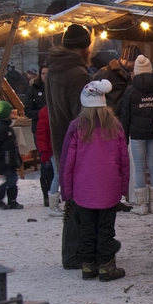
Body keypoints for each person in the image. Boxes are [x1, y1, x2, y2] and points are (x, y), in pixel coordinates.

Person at [60, 80, 129, 281]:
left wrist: (67, 190)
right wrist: (124, 186)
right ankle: (107, 266)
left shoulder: (76, 126)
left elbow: (67, 161)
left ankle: (88, 266)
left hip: (83, 189)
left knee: (86, 228)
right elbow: (123, 159)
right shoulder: (115, 125)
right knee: (106, 228)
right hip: (109, 186)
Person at [45, 24, 94, 212]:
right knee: (82, 208)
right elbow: (84, 119)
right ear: (84, 47)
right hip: (79, 148)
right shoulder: (77, 74)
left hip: (61, 143)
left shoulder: (53, 69)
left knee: (73, 208)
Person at [119, 54, 153, 215]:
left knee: (140, 168)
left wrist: (124, 138)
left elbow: (125, 116)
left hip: (137, 133)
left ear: (136, 71)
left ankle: (141, 205)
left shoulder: (130, 91)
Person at [27, 65, 52, 206]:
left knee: (54, 164)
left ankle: (53, 192)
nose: (45, 76)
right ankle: (46, 194)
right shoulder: (34, 90)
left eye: (47, 74)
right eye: (43, 74)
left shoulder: (56, 89)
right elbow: (28, 110)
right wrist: (42, 114)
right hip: (40, 130)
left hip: (54, 131)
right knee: (45, 162)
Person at [0, 101, 22, 210]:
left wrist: (17, 158)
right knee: (11, 179)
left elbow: (12, 146)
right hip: (5, 161)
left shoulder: (7, 127)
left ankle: (12, 200)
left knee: (13, 180)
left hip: (10, 160)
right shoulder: (0, 128)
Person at [94, 43, 141, 107]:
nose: (137, 65)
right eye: (136, 61)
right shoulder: (106, 73)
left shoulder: (127, 76)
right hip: (110, 115)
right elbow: (94, 94)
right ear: (129, 59)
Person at [35, 105, 54, 206]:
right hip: (48, 149)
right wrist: (44, 151)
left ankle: (52, 195)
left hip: (55, 149)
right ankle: (47, 196)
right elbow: (41, 135)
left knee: (55, 174)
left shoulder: (56, 109)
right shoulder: (46, 112)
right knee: (47, 173)